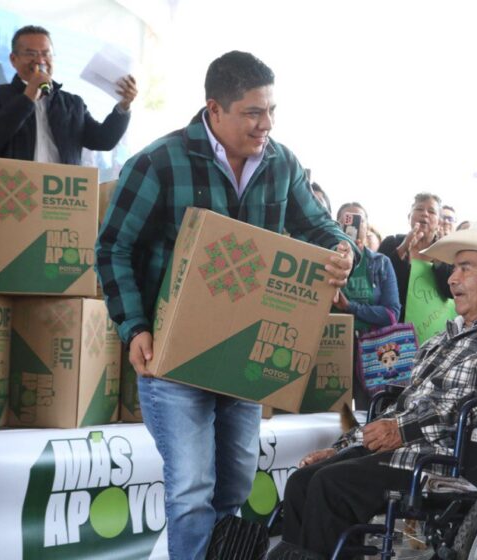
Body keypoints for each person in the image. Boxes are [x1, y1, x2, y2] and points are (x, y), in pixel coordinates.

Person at [95, 50, 356, 560]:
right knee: (191, 490)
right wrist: (134, 326)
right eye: (253, 113)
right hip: (172, 359)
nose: (266, 125)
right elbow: (112, 248)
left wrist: (341, 248)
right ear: (214, 110)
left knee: (234, 485)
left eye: (272, 111)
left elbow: (315, 227)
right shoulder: (158, 162)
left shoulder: (280, 163)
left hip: (243, 356)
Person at [270, 220, 477, 559]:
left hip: (456, 462)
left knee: (331, 486)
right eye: (454, 269)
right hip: (411, 450)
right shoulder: (446, 336)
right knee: (303, 481)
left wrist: (401, 430)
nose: (452, 278)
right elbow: (401, 408)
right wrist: (344, 447)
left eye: (465, 268)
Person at [0, 25, 137, 165]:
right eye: (31, 54)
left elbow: (103, 140)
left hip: (59, 195)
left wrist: (124, 107)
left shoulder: (73, 103)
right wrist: (28, 96)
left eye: (46, 54)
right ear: (14, 59)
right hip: (15, 191)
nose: (40, 60)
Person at [334, 202, 401, 408]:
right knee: (332, 416)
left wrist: (351, 307)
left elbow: (391, 314)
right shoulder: (327, 259)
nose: (352, 225)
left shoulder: (381, 263)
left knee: (369, 413)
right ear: (336, 226)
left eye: (358, 219)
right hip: (334, 349)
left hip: (374, 353)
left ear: (367, 226)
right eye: (346, 219)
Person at [378, 193, 451, 321]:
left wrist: (440, 254)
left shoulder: (447, 251)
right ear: (409, 217)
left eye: (432, 211)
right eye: (419, 209)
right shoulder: (391, 243)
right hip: (394, 328)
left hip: (434, 328)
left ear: (439, 222)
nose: (425, 214)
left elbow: (450, 291)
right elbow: (377, 280)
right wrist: (403, 248)